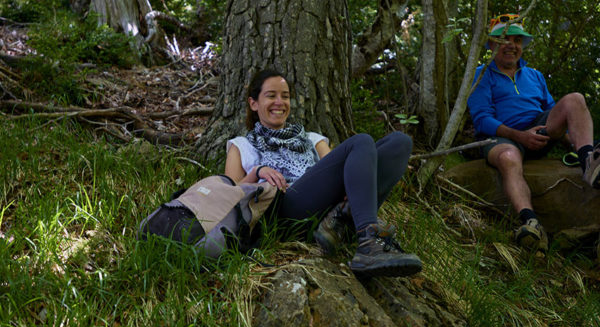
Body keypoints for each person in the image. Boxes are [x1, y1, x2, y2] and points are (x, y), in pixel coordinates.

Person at [224, 68, 423, 278]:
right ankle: (368, 240)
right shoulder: (242, 145)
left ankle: (341, 226)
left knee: (400, 142)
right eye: (271, 96)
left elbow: (341, 174)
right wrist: (257, 171)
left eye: (285, 96)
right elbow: (229, 196)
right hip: (283, 211)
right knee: (361, 141)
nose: (279, 102)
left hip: (326, 214)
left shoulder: (312, 139)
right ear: (254, 103)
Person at [468, 14, 600, 252]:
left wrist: (571, 143)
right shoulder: (481, 75)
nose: (512, 45)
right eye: (504, 38)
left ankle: (589, 161)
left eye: (517, 40)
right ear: (491, 44)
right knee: (508, 158)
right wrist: (519, 136)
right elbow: (482, 119)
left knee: (574, 100)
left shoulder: (535, 76)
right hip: (503, 136)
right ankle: (531, 223)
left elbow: (555, 113)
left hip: (538, 130)